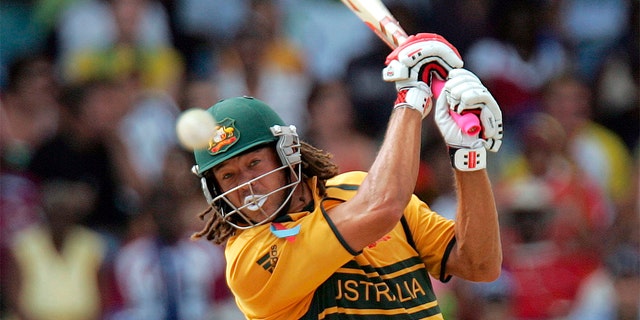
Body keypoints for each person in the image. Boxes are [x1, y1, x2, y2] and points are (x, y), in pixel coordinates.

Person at [188, 33, 504, 319]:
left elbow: (479, 264)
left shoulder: (358, 188)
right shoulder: (249, 261)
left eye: (254, 164)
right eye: (228, 176)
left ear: (286, 154)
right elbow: (382, 207)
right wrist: (410, 98)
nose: (246, 185)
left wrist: (467, 156)